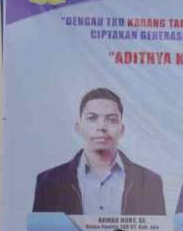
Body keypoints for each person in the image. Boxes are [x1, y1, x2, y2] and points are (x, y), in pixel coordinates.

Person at [33, 88, 165, 215]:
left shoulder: (150, 182)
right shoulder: (48, 181)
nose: (101, 127)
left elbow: (157, 230)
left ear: (122, 129)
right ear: (78, 127)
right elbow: (41, 230)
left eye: (112, 120)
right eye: (92, 118)